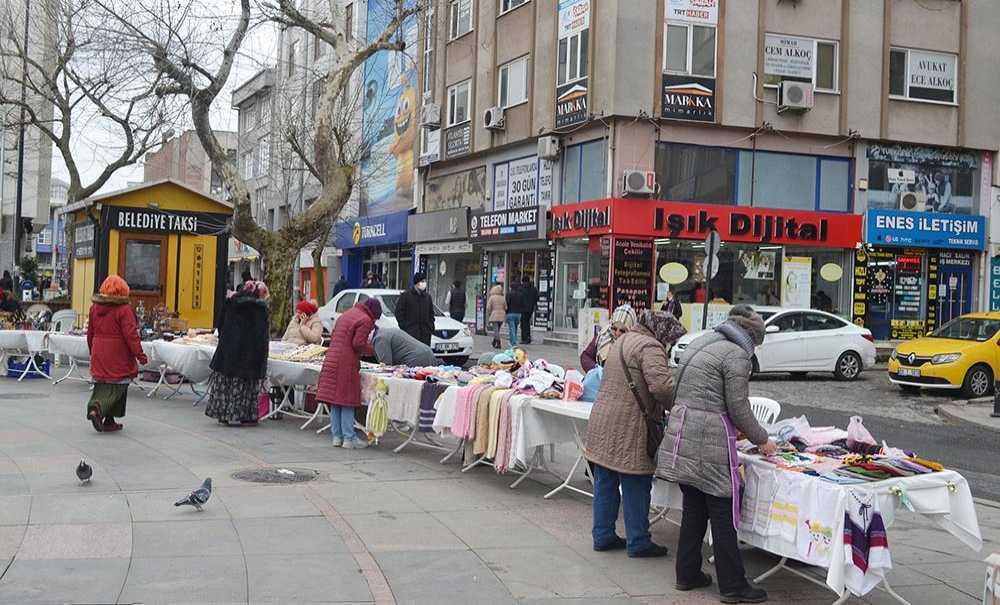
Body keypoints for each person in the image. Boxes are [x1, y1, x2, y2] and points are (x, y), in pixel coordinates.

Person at [657, 305, 777, 603]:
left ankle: (687, 574)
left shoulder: (702, 341)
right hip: (708, 443)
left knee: (694, 509)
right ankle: (733, 586)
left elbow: (675, 389)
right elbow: (739, 407)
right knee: (722, 512)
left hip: (683, 435)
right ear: (751, 337)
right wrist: (762, 439)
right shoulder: (736, 355)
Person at [585, 310, 685, 558]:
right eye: (669, 338)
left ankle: (602, 535)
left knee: (606, 480)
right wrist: (678, 406)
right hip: (630, 424)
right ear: (661, 331)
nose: (669, 343)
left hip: (603, 419)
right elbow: (662, 387)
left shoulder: (623, 340)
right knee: (635, 481)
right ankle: (638, 541)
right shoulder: (650, 346)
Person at [316, 297, 382, 448]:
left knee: (335, 400)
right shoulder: (365, 319)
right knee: (347, 401)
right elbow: (358, 343)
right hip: (346, 362)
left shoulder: (346, 314)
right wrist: (372, 349)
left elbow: (335, 336)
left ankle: (337, 437)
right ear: (373, 313)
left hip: (332, 358)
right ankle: (349, 438)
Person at [85, 275, 148, 433]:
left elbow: (90, 333)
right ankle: (97, 409)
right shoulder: (124, 310)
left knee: (102, 384)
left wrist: (93, 350)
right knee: (119, 386)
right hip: (118, 353)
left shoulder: (94, 308)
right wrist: (140, 354)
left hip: (99, 350)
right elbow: (131, 335)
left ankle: (108, 419)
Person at [204, 281, 270, 426]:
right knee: (244, 385)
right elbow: (262, 336)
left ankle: (222, 414)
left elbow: (220, 325)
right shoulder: (260, 308)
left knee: (225, 383)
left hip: (227, 351)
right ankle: (243, 415)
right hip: (248, 354)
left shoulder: (231, 303)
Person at [581, 304, 638, 372]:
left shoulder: (635, 345)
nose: (617, 333)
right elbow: (586, 356)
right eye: (614, 328)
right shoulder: (603, 335)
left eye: (622, 331)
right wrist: (595, 370)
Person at [395, 272, 435, 345]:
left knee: (424, 352)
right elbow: (399, 313)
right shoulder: (406, 296)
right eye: (422, 281)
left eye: (425, 281)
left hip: (425, 335)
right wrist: (405, 327)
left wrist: (430, 327)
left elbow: (431, 314)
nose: (424, 283)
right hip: (411, 334)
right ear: (417, 283)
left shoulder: (427, 297)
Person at [373, 327, 438, 367]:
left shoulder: (380, 338)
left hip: (416, 359)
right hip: (428, 353)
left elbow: (386, 366)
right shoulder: (385, 331)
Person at [485, 284, 507, 349]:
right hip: (502, 315)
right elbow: (506, 307)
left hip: (494, 314)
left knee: (496, 330)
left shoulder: (492, 297)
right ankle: (494, 341)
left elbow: (488, 307)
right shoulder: (502, 298)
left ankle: (498, 342)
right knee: (497, 330)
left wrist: (490, 313)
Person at [519, 276, 539, 344]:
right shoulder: (533, 289)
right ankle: (527, 337)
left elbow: (520, 298)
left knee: (524, 324)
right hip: (530, 308)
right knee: (527, 323)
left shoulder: (521, 289)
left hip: (523, 308)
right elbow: (537, 298)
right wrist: (534, 304)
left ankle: (524, 338)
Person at [505, 280, 525, 346]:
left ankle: (513, 342)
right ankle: (513, 340)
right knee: (515, 328)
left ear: (511, 287)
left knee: (512, 328)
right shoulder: (521, 294)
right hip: (518, 313)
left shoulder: (509, 294)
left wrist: (506, 311)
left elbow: (507, 303)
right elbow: (523, 304)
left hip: (510, 313)